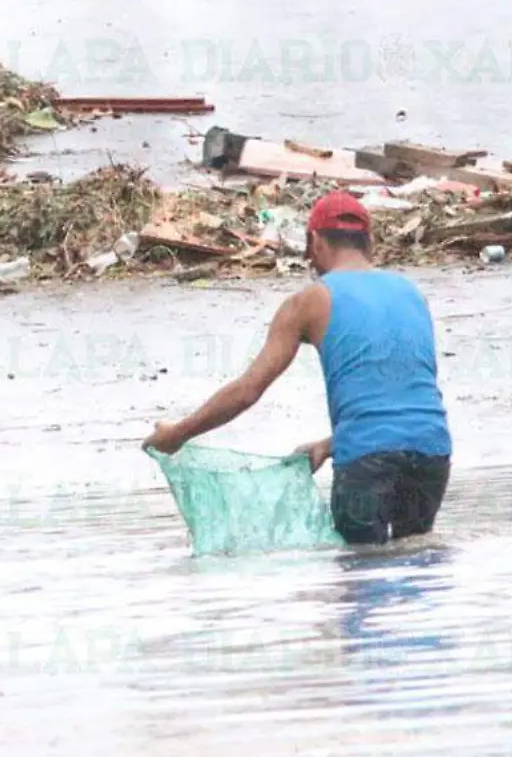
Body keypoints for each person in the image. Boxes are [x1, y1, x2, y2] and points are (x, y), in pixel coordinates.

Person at [143, 190, 453, 545]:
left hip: (367, 461)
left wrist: (177, 435)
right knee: (414, 558)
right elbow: (400, 399)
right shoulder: (412, 293)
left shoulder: (310, 301)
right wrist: (330, 443)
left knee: (360, 572)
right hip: (432, 452)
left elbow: (248, 391)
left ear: (315, 242)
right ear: (370, 242)